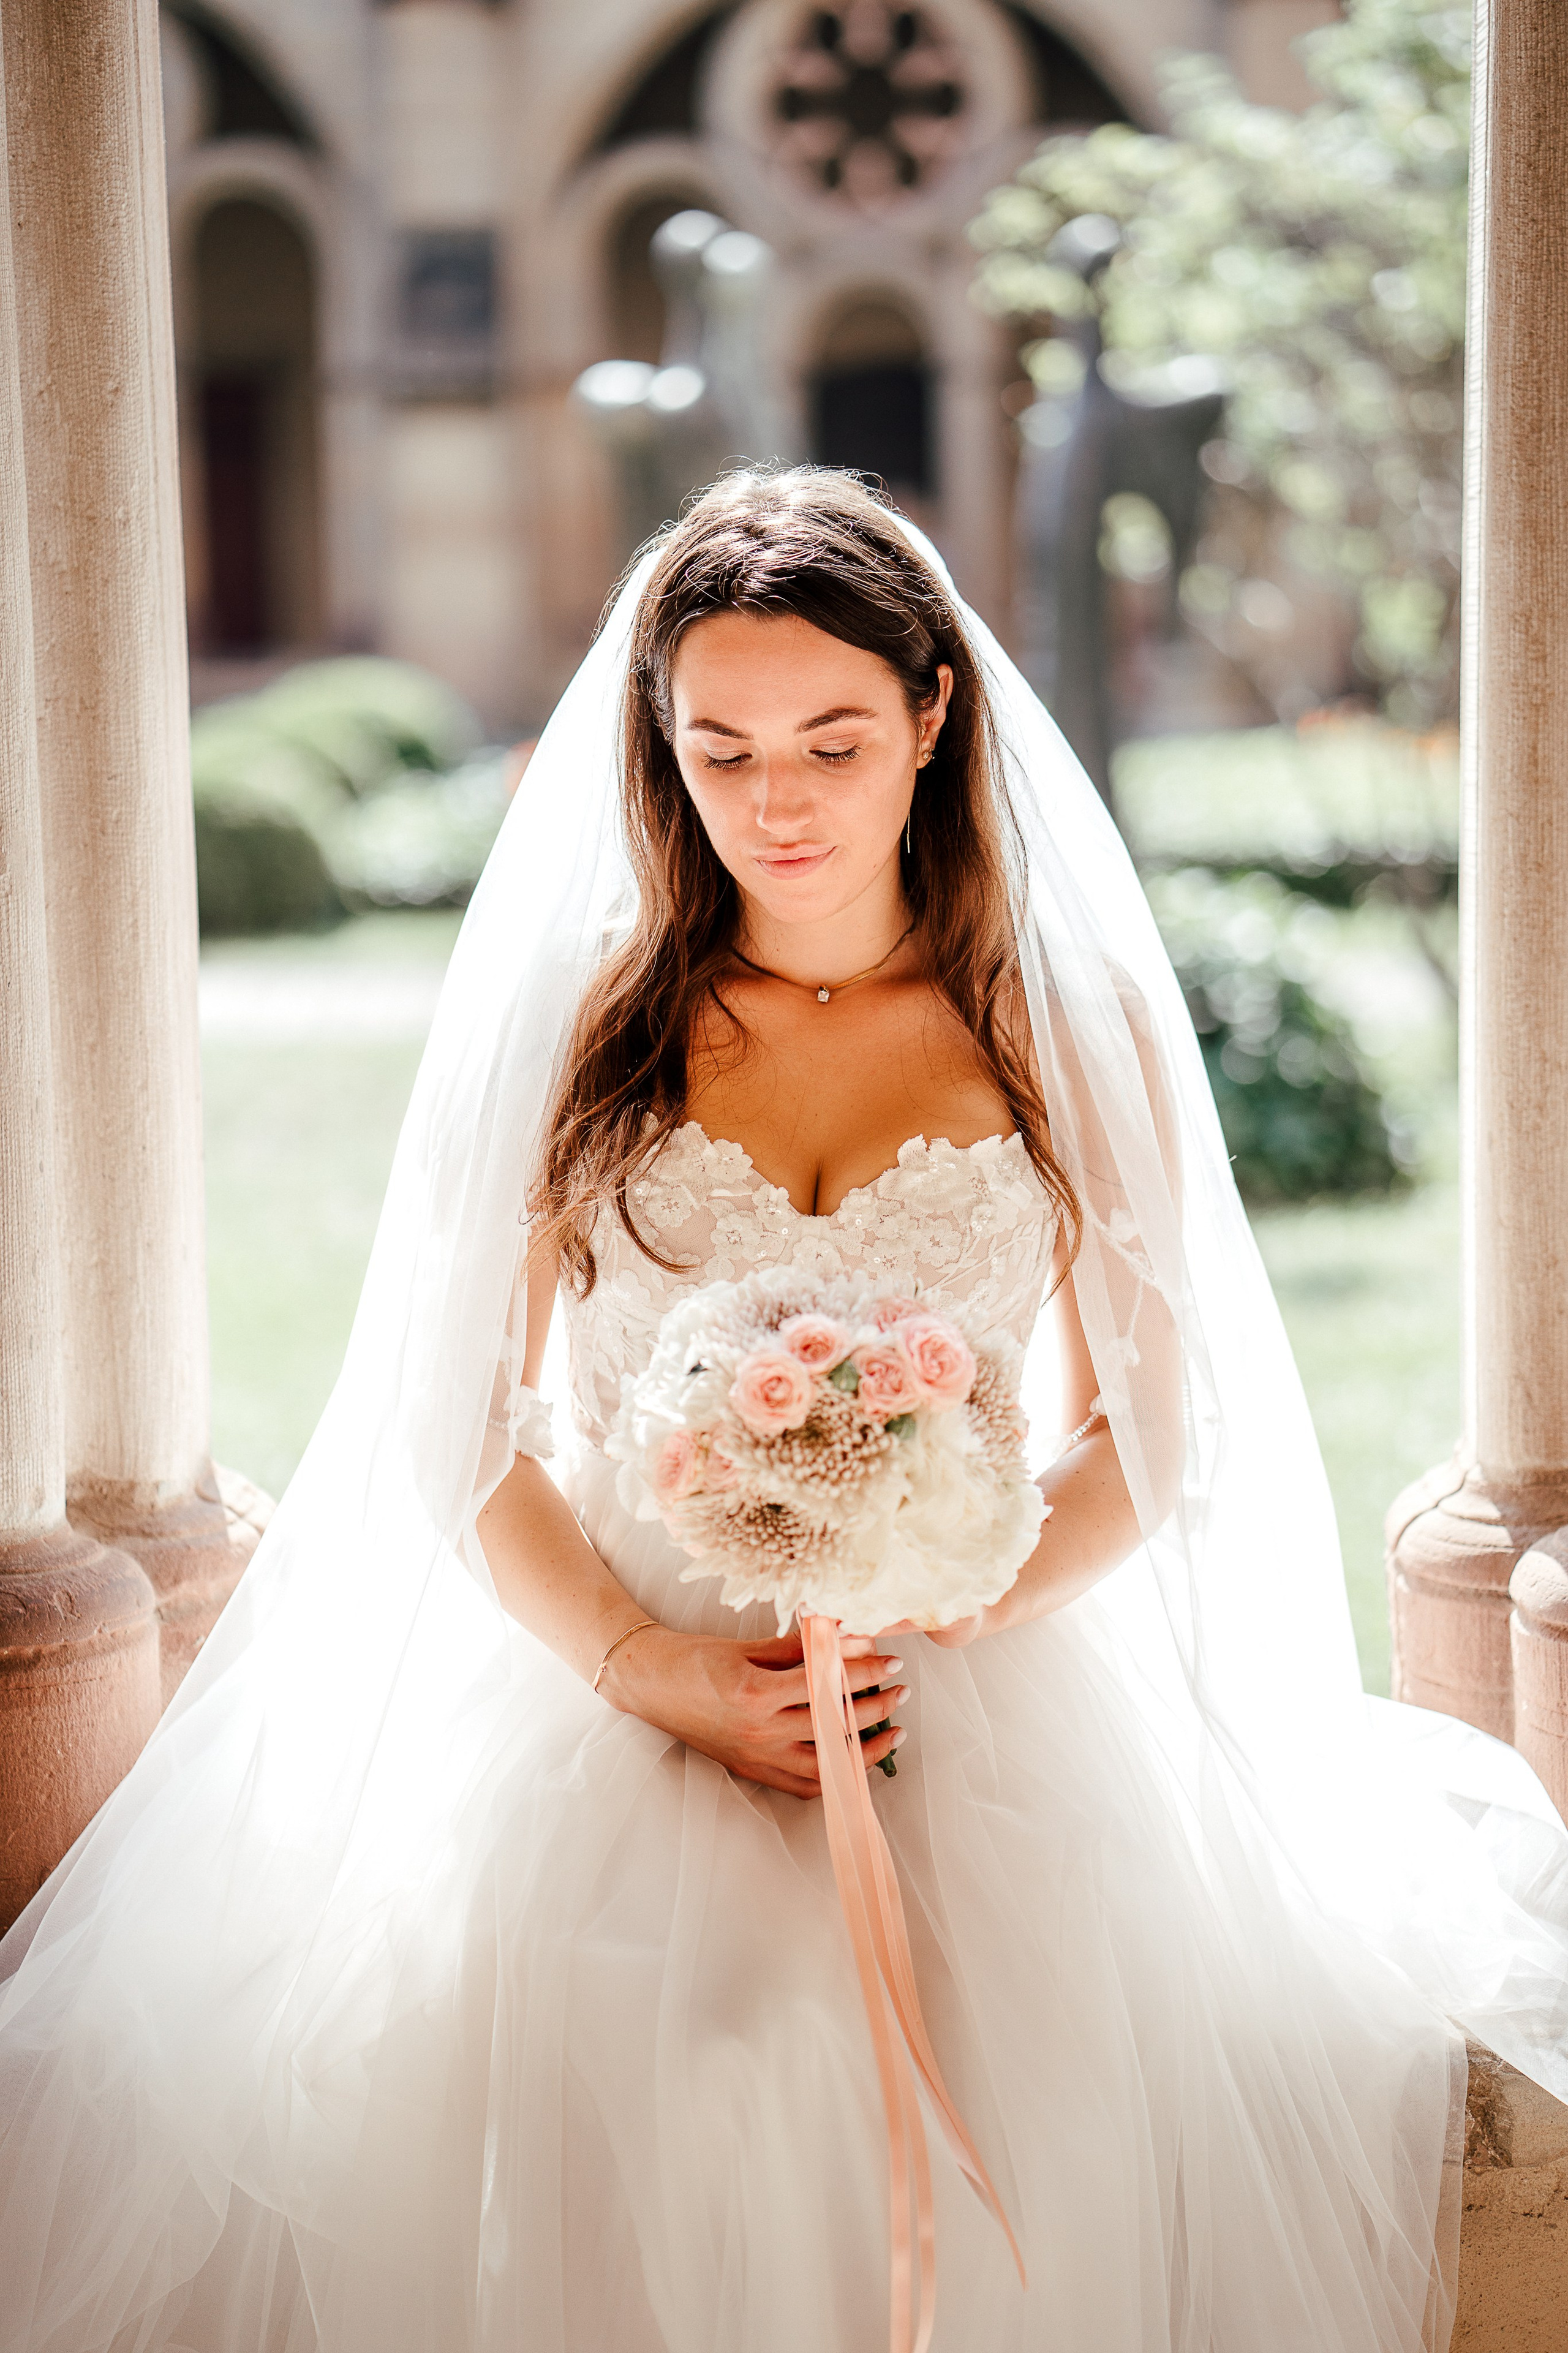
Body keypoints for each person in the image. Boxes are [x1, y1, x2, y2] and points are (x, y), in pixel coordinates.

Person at [3, 469, 1567, 2353]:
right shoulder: (589, 1025)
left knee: (1005, 2098)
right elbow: (458, 1423)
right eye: (722, 749)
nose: (779, 802)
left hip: (972, 1679)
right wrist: (651, 1666)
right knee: (692, 2067)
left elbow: (1155, 1432)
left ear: (933, 716)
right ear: (659, 747)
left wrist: (949, 1596)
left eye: (833, 740)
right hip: (611, 1679)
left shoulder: (1060, 1026)